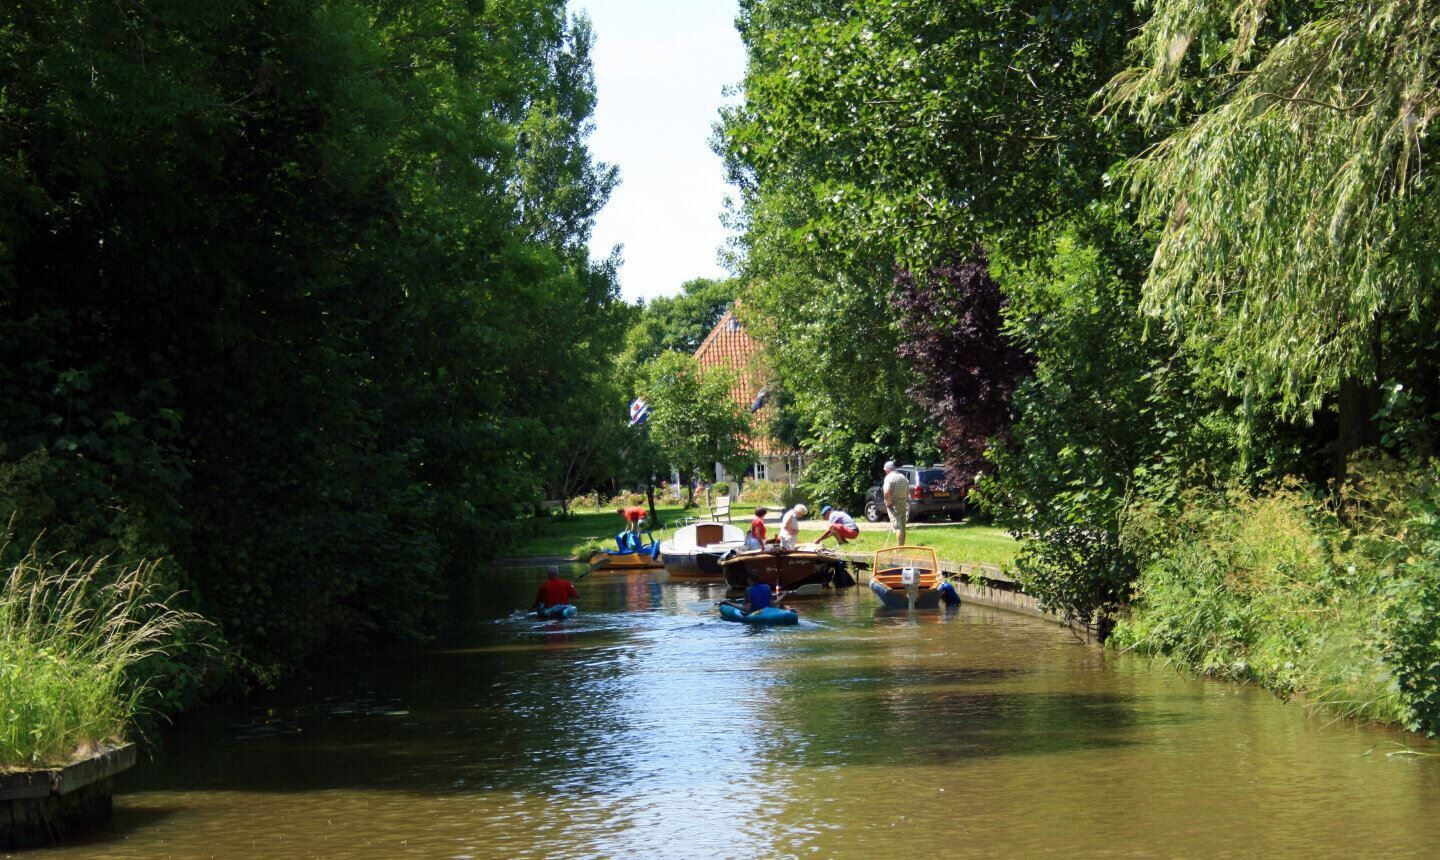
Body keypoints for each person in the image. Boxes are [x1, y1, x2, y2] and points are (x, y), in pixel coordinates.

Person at [881, 461, 910, 546]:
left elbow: (886, 491)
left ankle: (899, 549)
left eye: (885, 470)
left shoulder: (889, 478)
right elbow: (907, 492)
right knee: (902, 527)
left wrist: (888, 502)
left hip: (894, 504)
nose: (885, 471)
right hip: (903, 502)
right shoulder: (902, 477)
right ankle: (902, 547)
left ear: (887, 469)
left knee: (897, 527)